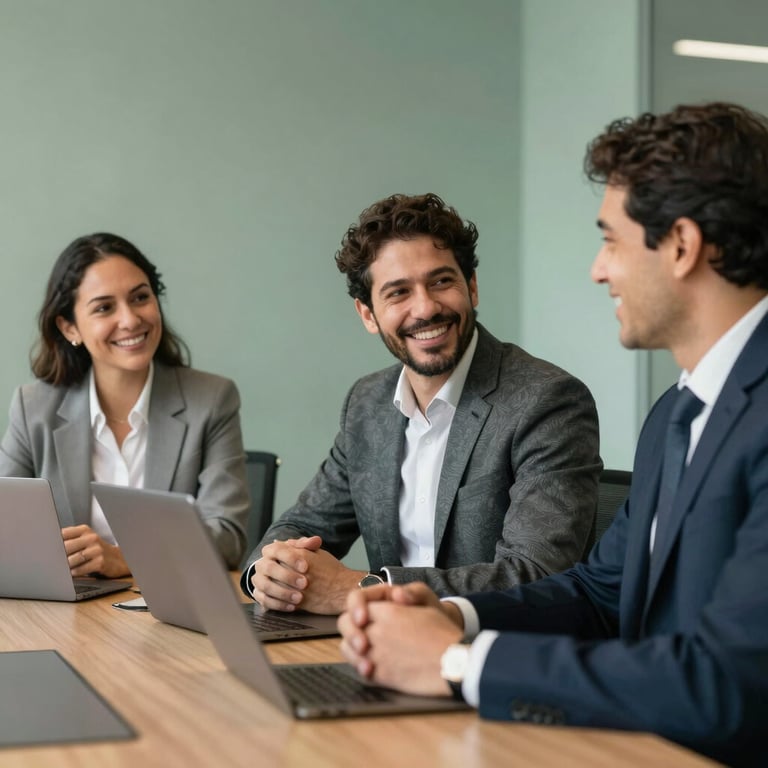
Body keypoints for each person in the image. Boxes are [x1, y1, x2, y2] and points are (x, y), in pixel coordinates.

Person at [338, 102, 768, 767]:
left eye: (612, 240)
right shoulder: (676, 413)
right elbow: (599, 593)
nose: (600, 269)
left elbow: (727, 686)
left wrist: (458, 661)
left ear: (680, 245)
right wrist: (453, 616)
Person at [242, 192, 602, 615]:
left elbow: (536, 574)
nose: (426, 307)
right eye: (398, 293)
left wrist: (360, 590)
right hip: (380, 649)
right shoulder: (367, 403)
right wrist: (269, 573)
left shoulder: (546, 400)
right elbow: (300, 527)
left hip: (491, 656)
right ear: (368, 315)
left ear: (472, 286)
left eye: (441, 282)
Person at [0, 233, 249, 576]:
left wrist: (126, 558)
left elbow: (228, 537)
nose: (130, 320)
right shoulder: (33, 408)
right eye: (104, 307)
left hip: (168, 615)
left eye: (140, 298)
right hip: (67, 615)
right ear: (70, 326)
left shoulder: (211, 399)